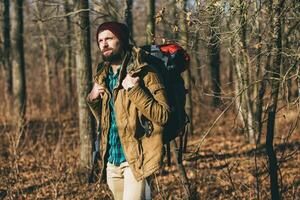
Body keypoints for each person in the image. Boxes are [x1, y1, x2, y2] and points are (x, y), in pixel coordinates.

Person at [86, 21, 170, 200]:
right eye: (100, 40)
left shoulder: (145, 72)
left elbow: (164, 116)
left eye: (109, 38)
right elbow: (108, 120)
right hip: (111, 161)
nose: (104, 44)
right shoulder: (103, 75)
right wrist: (93, 99)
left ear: (122, 40)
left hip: (136, 160)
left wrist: (134, 90)